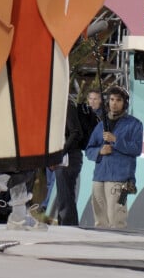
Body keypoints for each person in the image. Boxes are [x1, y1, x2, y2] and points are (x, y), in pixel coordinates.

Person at [85, 84, 143, 228]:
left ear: (125, 103)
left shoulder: (135, 124)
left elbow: (136, 149)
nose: (114, 103)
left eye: (118, 100)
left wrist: (116, 140)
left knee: (117, 219)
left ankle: (119, 249)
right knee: (100, 221)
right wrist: (100, 151)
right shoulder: (100, 126)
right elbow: (89, 149)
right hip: (99, 177)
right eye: (111, 99)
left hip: (120, 179)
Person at [52, 96, 84, 226]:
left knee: (66, 196)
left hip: (69, 157)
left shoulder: (66, 105)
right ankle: (65, 227)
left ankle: (68, 228)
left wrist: (59, 155)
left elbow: (75, 132)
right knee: (64, 196)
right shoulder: (58, 105)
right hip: (64, 157)